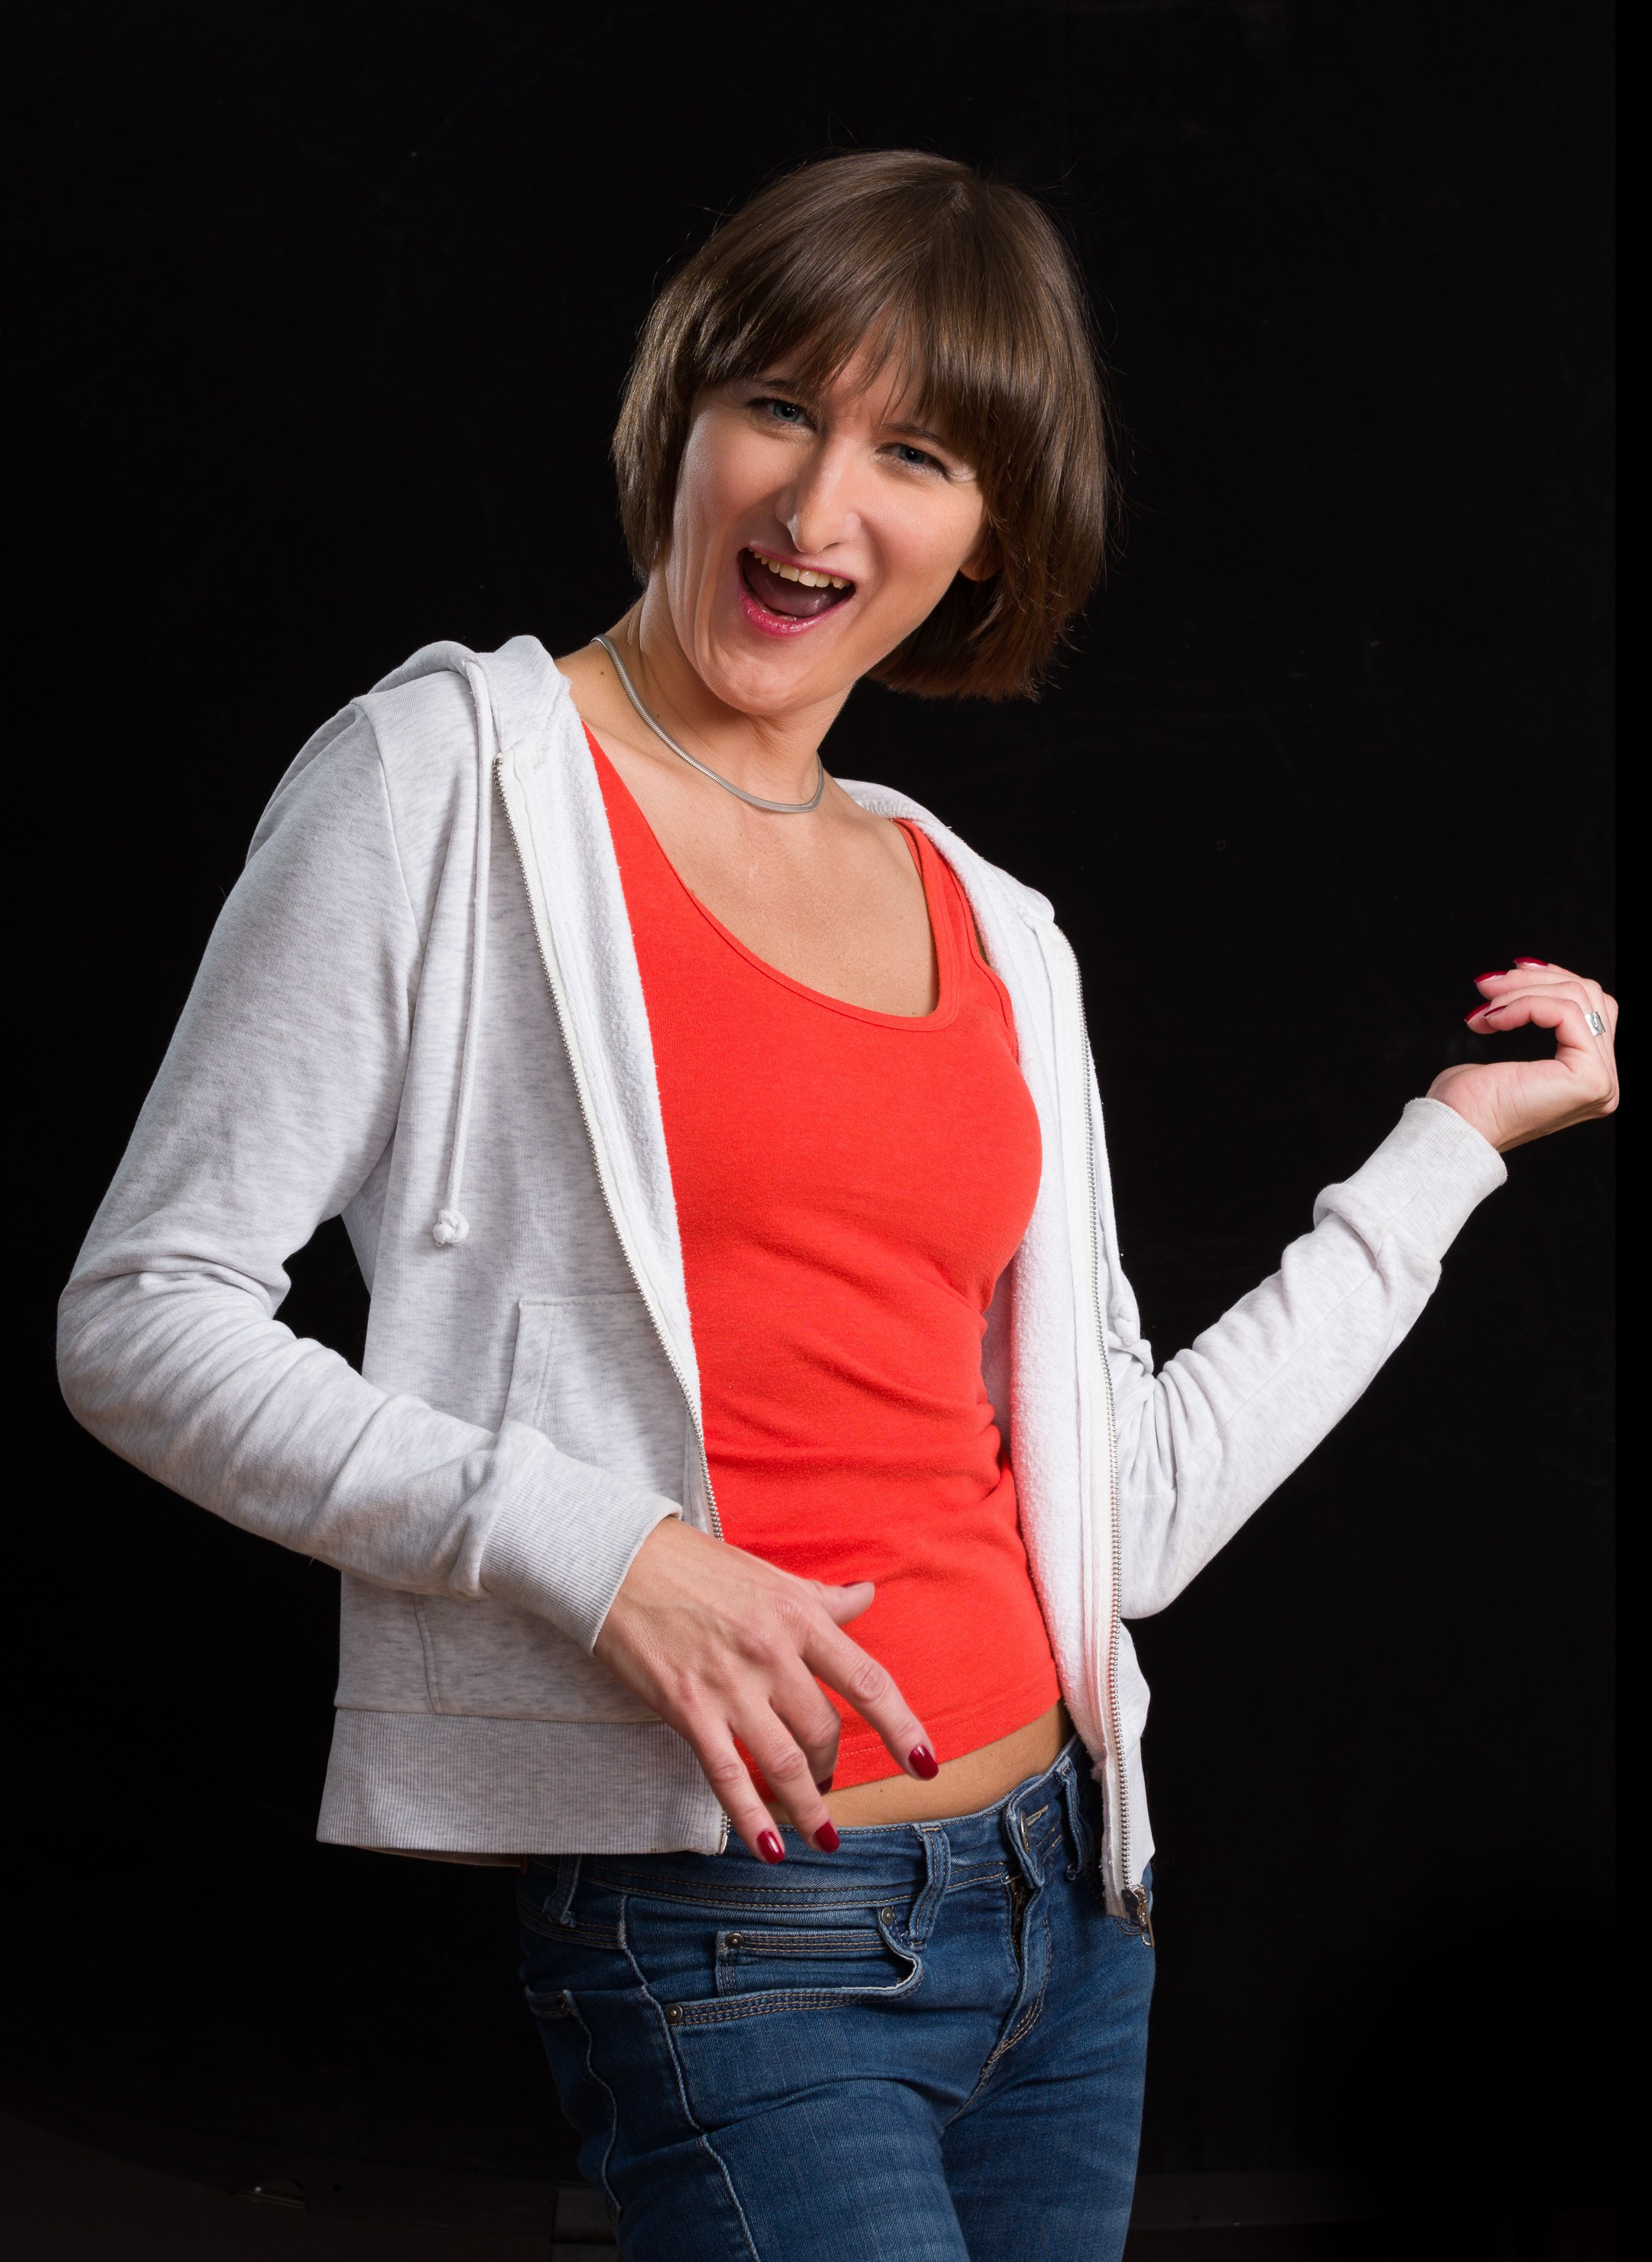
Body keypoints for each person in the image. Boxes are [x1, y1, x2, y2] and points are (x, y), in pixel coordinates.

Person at [57, 151, 1617, 2262]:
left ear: (985, 542)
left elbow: (1126, 1511)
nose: (815, 509)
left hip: (1072, 1907)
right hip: (738, 1931)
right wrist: (607, 1557)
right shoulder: (447, 779)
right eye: (776, 407)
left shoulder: (993, 921)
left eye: (915, 452)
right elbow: (144, 1311)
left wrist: (1443, 1157)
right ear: (679, 416)